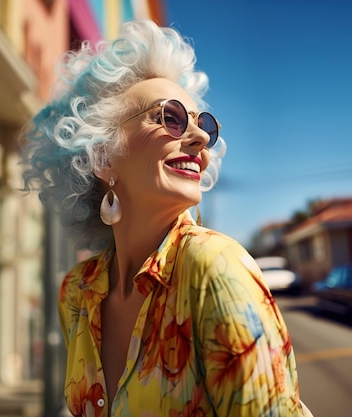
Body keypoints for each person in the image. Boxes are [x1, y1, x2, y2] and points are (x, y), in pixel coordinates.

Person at [23, 19, 311, 417]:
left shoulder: (214, 268)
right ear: (102, 156)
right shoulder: (77, 292)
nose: (200, 142)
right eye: (170, 117)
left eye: (202, 126)